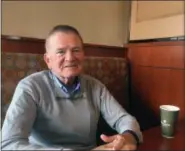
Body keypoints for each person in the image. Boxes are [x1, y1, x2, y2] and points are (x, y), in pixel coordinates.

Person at [1, 25, 143, 150]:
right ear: (48, 60)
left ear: (83, 55)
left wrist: (127, 138)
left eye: (76, 50)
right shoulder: (30, 87)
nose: (70, 58)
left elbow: (124, 119)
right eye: (61, 52)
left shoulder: (95, 87)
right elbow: (9, 143)